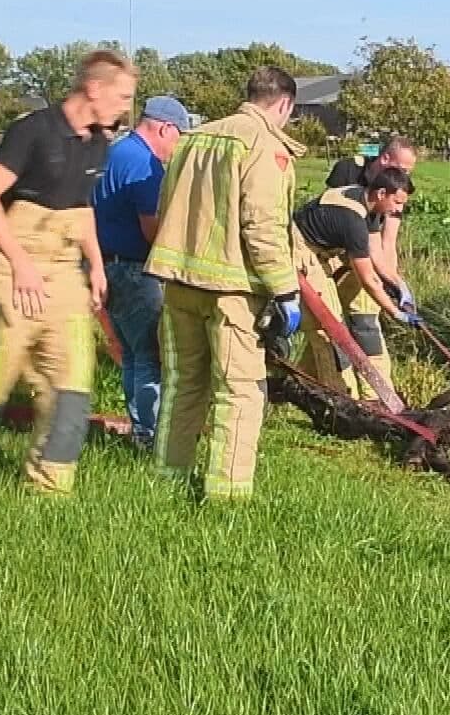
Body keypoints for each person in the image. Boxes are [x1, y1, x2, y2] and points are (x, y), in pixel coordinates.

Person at [0, 49, 136, 495]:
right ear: (94, 88)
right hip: (8, 273)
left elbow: (80, 205)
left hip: (62, 276)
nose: (126, 106)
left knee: (71, 394)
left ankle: (48, 490)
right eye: (123, 95)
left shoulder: (97, 141)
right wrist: (20, 263)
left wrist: (94, 264)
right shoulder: (33, 131)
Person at [144, 66, 304, 501]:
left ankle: (167, 478)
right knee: (239, 393)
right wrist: (286, 290)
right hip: (232, 291)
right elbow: (263, 224)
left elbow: (165, 203)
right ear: (285, 104)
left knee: (182, 385)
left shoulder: (193, 138)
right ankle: (226, 495)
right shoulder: (263, 145)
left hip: (177, 282)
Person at [91, 94, 194, 450]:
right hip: (135, 270)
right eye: (178, 137)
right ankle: (150, 435)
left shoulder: (114, 153)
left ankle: (139, 429)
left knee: (133, 354)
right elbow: (154, 230)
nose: (175, 148)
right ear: (165, 128)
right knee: (151, 354)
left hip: (105, 265)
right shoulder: (144, 164)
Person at [291, 168, 420, 401]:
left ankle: (297, 386)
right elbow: (368, 279)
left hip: (322, 252)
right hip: (299, 251)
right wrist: (395, 313)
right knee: (330, 327)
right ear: (382, 193)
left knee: (329, 323)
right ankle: (340, 400)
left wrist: (399, 286)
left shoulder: (368, 206)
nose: (399, 210)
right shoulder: (352, 221)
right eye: (397, 202)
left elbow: (376, 257)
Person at [326, 135, 419, 372]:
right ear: (385, 158)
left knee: (365, 318)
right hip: (332, 254)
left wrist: (395, 283)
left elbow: (386, 242)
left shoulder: (396, 189)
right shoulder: (348, 170)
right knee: (328, 320)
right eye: (401, 168)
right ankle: (332, 381)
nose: (405, 176)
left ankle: (374, 392)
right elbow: (335, 217)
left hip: (364, 253)